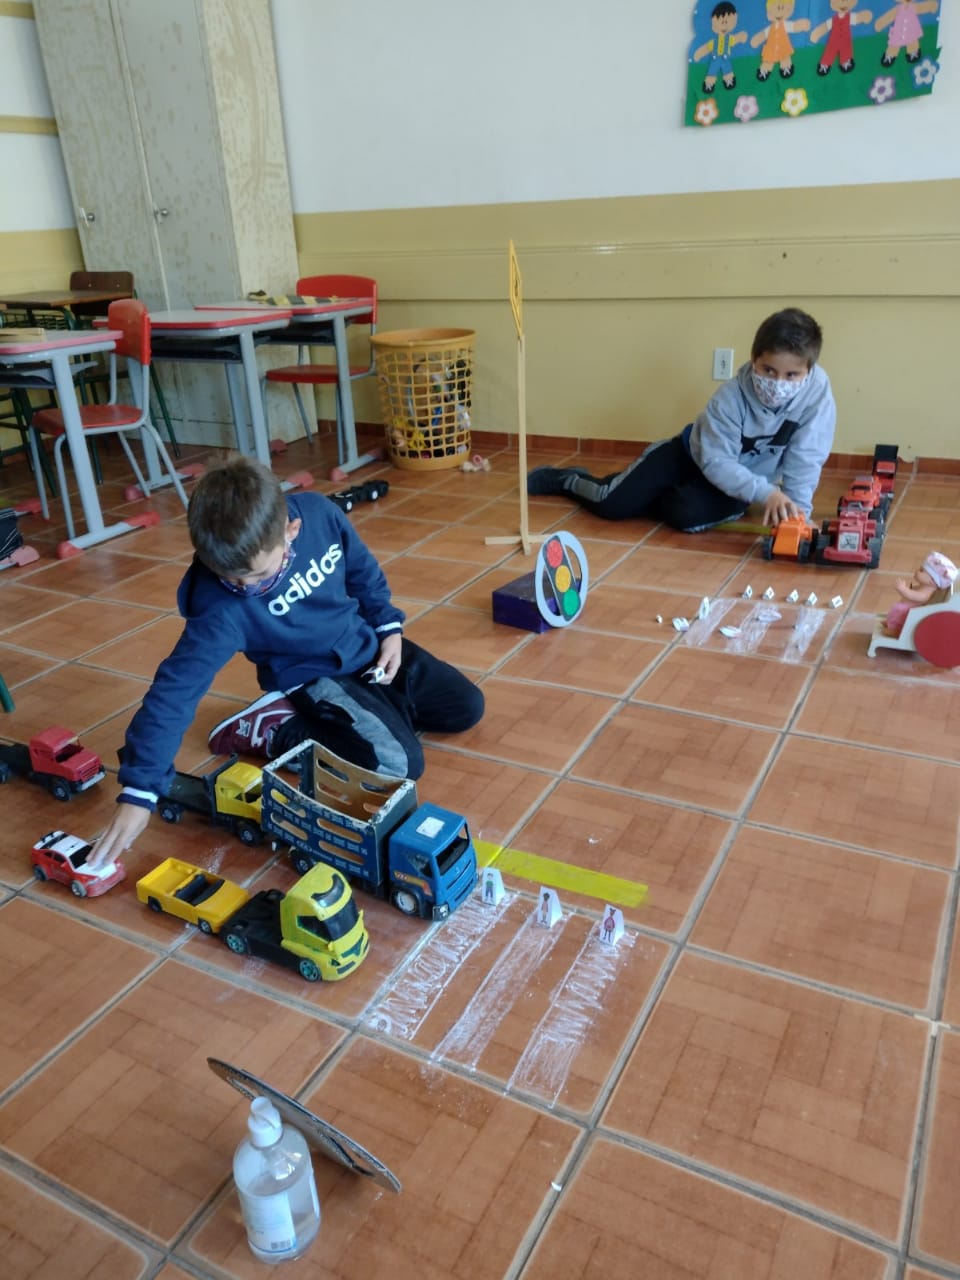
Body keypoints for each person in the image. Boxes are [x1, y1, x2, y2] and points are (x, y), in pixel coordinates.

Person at [90, 456, 484, 866]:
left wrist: (388, 627)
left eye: (258, 575)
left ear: (290, 531)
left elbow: (362, 570)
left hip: (363, 644)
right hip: (312, 675)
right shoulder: (220, 610)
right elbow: (175, 690)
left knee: (466, 707)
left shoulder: (319, 514)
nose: (245, 588)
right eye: (230, 578)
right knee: (400, 763)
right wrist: (140, 788)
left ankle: (375, 714)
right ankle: (277, 728)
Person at [526, 307, 835, 532]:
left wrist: (798, 515)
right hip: (691, 455)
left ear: (808, 371)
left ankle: (655, 494)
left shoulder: (817, 397)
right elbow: (716, 461)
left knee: (685, 516)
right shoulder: (730, 397)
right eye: (768, 370)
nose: (778, 383)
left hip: (739, 482)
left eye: (791, 375)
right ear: (754, 360)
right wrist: (765, 493)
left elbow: (806, 458)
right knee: (612, 504)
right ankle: (568, 480)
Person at [884, 551, 956, 636]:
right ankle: (891, 623)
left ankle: (895, 629)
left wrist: (903, 590)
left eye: (921, 571)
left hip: (909, 613)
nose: (917, 571)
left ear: (932, 580)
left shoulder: (926, 594)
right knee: (896, 611)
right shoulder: (924, 587)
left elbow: (914, 596)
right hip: (906, 608)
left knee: (899, 611)